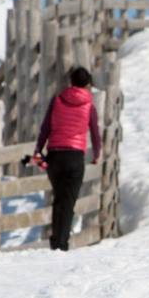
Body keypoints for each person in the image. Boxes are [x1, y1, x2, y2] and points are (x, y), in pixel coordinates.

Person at [33, 66, 102, 251]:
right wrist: (96, 154)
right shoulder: (89, 105)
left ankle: (56, 240)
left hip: (54, 155)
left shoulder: (57, 100)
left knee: (58, 199)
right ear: (88, 84)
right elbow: (95, 133)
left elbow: (45, 128)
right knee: (68, 201)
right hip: (74, 157)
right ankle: (62, 243)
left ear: (70, 82)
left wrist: (38, 150)